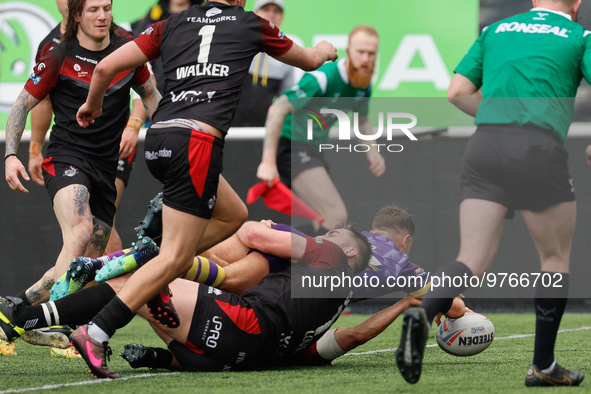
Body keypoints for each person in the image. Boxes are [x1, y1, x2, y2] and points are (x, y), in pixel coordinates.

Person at [73, 0, 338, 379]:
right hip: (196, 144)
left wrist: (91, 104)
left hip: (160, 137)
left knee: (234, 215)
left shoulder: (171, 23)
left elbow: (105, 67)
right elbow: (310, 61)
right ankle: (95, 332)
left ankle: (152, 264)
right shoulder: (251, 23)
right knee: (176, 259)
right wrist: (326, 51)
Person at [396, 0, 587, 387]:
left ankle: (422, 312)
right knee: (554, 258)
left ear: (534, 1)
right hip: (538, 147)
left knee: (471, 258)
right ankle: (543, 366)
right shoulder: (580, 36)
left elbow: (456, 92)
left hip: (484, 145)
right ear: (578, 3)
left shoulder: (495, 30)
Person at [0, 222, 371, 377]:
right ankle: (146, 281)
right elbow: (316, 352)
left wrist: (274, 231)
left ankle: (42, 321)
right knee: (154, 285)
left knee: (145, 276)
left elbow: (254, 233)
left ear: (350, 249)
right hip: (224, 358)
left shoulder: (330, 256)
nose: (326, 235)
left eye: (334, 234)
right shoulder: (339, 302)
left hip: (238, 324)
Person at [3, 0, 159, 321]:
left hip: (106, 168)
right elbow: (22, 105)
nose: (102, 16)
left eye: (107, 8)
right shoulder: (58, 55)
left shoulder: (128, 50)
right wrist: (11, 155)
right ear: (77, 15)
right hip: (66, 158)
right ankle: (53, 322)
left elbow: (151, 96)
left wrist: (174, 134)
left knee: (85, 264)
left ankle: (16, 307)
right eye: (93, 10)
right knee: (80, 234)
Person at [27, 0, 149, 257]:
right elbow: (42, 100)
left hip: (114, 146)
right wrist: (35, 148)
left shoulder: (121, 35)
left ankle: (112, 292)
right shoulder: (51, 47)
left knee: (97, 229)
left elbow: (145, 88)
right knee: (84, 234)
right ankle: (83, 292)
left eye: (104, 8)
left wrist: (134, 126)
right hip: (73, 150)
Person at [256, 25, 386, 233]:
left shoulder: (364, 83)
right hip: (291, 148)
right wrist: (268, 162)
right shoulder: (323, 77)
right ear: (348, 50)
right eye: (361, 52)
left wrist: (372, 151)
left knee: (322, 219)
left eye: (371, 53)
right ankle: (282, 245)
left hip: (312, 151)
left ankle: (291, 253)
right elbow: (277, 109)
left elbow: (362, 120)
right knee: (336, 216)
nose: (366, 58)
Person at [232, 0, 294, 127]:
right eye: (266, 10)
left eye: (276, 11)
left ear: (282, 18)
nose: (271, 15)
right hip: (228, 128)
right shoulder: (236, 44)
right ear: (255, 13)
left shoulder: (288, 57)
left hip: (262, 131)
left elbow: (287, 99)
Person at [130, 0, 204, 96]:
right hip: (158, 88)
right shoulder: (154, 15)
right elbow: (137, 49)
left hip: (191, 87)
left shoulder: (204, 16)